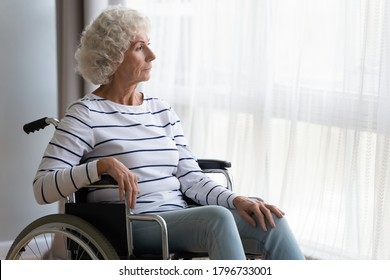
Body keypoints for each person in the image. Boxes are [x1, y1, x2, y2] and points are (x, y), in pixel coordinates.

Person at [34, 5, 305, 260]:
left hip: (181, 217)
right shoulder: (85, 114)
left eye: (148, 46)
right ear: (113, 57)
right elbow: (42, 188)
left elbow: (192, 180)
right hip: (134, 224)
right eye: (140, 48)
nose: (152, 56)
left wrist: (237, 199)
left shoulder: (161, 110)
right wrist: (100, 166)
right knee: (217, 218)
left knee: (269, 218)